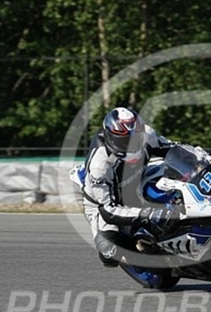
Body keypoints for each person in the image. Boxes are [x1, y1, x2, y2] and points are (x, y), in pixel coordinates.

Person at [75, 106, 180, 287]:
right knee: (108, 251)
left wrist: (201, 156)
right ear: (111, 137)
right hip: (107, 200)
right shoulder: (100, 166)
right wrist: (146, 214)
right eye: (125, 141)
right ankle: (137, 257)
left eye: (135, 139)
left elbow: (174, 149)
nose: (131, 145)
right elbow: (108, 210)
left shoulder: (147, 134)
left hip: (138, 177)